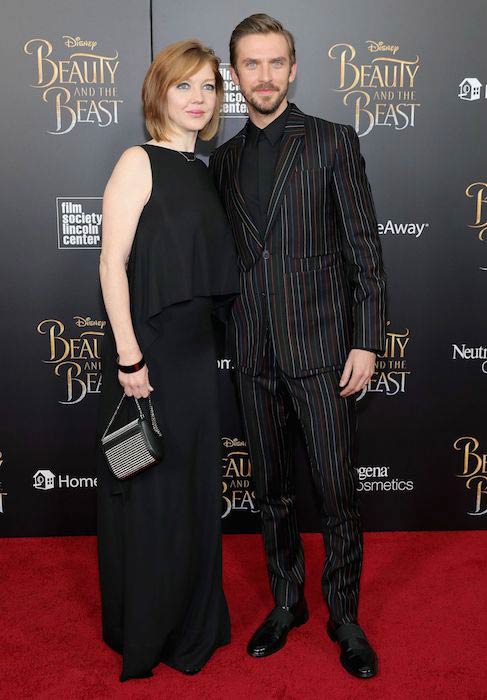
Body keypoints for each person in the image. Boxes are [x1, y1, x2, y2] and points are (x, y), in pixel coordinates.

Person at [210, 14, 386, 679]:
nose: (263, 75)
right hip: (251, 356)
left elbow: (364, 250)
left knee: (336, 491)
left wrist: (366, 340)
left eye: (274, 62)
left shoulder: (332, 141)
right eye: (249, 65)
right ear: (233, 75)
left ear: (294, 67)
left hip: (321, 351)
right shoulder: (222, 161)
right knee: (272, 491)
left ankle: (343, 615)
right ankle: (287, 602)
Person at [97, 39, 239, 682]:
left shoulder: (206, 169)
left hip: (198, 351)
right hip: (151, 349)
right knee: (154, 491)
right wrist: (129, 355)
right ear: (160, 93)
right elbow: (112, 263)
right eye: (185, 86)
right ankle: (148, 628)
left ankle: (194, 623)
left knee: (193, 492)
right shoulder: (138, 160)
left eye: (208, 87)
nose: (198, 98)